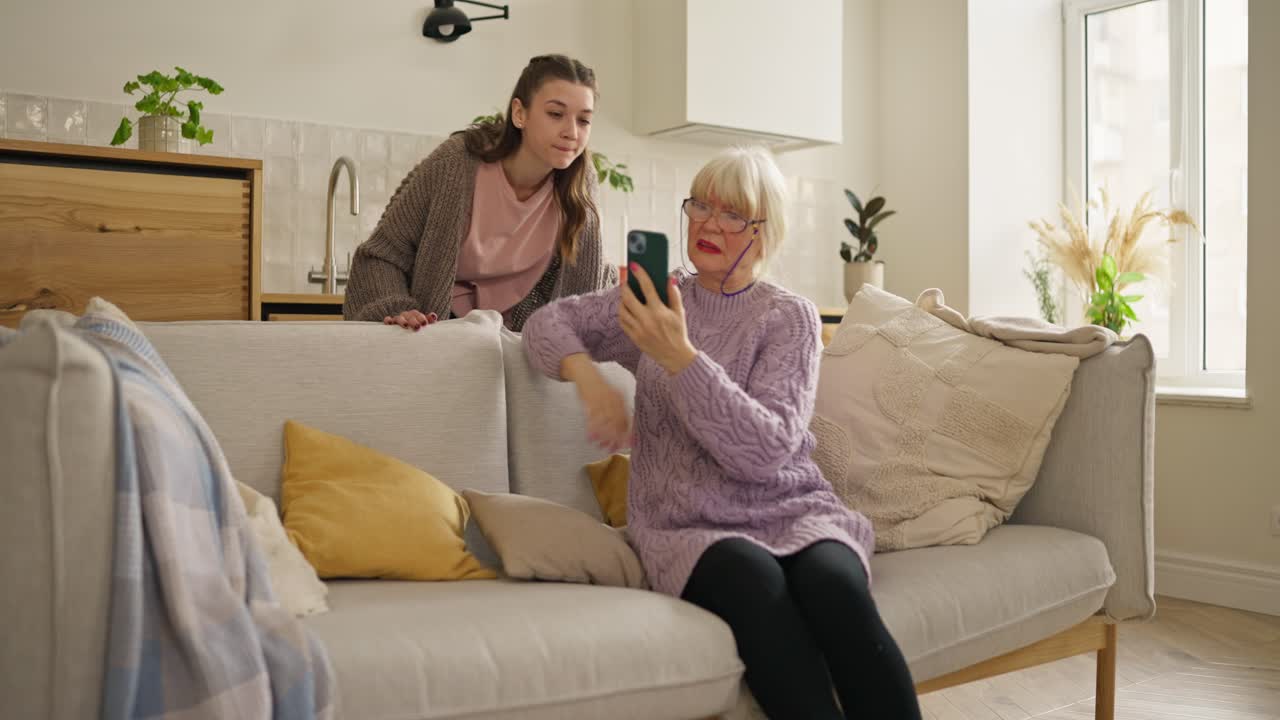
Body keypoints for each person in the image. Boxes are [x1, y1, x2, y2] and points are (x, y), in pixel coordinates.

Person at [521, 147, 923, 719]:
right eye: (700, 205)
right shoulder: (655, 299)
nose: (708, 222)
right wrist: (587, 377)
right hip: (687, 523)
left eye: (731, 213)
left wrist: (680, 357)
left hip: (792, 508)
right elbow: (545, 326)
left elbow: (766, 453)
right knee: (754, 583)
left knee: (836, 587)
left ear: (763, 231)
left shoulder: (789, 317)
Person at [343, 54, 617, 331]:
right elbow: (383, 254)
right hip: (436, 329)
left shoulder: (581, 182)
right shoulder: (456, 162)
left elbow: (586, 284)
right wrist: (399, 310)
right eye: (556, 114)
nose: (572, 132)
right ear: (519, 113)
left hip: (514, 341)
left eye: (584, 120)